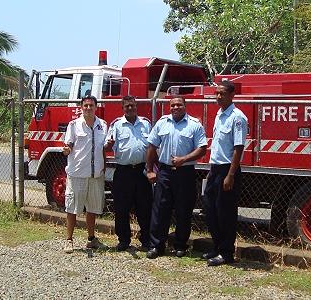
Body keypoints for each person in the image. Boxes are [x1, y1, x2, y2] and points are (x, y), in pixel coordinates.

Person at [145, 96, 207, 259]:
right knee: (160, 210)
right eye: (172, 105)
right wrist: (150, 170)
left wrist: (184, 159)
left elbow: (202, 148)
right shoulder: (162, 123)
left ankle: (180, 245)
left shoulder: (194, 125)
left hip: (185, 173)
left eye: (179, 104)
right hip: (164, 173)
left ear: (185, 106)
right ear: (169, 107)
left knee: (183, 210)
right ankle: (156, 246)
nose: (175, 107)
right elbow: (152, 146)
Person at [203, 80, 248, 266]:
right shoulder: (220, 114)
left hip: (228, 169)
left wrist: (230, 175)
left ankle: (226, 253)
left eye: (222, 93)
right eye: (217, 93)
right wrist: (211, 171)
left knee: (225, 213)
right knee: (210, 209)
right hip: (215, 169)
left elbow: (238, 148)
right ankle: (216, 246)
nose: (218, 96)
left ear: (232, 95)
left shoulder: (237, 117)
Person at [104, 95, 153, 251]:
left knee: (144, 207)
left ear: (136, 106)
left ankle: (146, 240)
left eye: (132, 105)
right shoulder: (116, 125)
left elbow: (153, 146)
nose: (130, 108)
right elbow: (106, 146)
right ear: (122, 108)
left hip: (142, 171)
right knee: (121, 208)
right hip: (123, 172)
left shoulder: (146, 124)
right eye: (127, 106)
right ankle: (124, 240)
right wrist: (108, 145)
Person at [62, 95, 107, 253]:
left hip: (96, 175)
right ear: (81, 107)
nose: (88, 108)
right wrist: (67, 150)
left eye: (91, 105)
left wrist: (104, 167)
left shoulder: (102, 125)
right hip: (78, 174)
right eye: (85, 105)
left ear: (96, 107)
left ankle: (91, 239)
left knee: (92, 208)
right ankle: (69, 240)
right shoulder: (74, 125)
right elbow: (69, 144)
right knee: (73, 207)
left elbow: (103, 148)